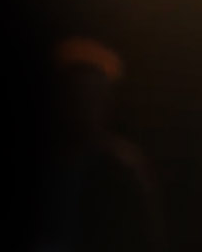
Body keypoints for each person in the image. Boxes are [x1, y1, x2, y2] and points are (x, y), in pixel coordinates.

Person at [40, 38, 165, 252]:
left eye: (91, 96)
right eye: (76, 95)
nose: (83, 105)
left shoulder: (122, 168)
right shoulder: (45, 162)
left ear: (106, 102)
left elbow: (144, 237)